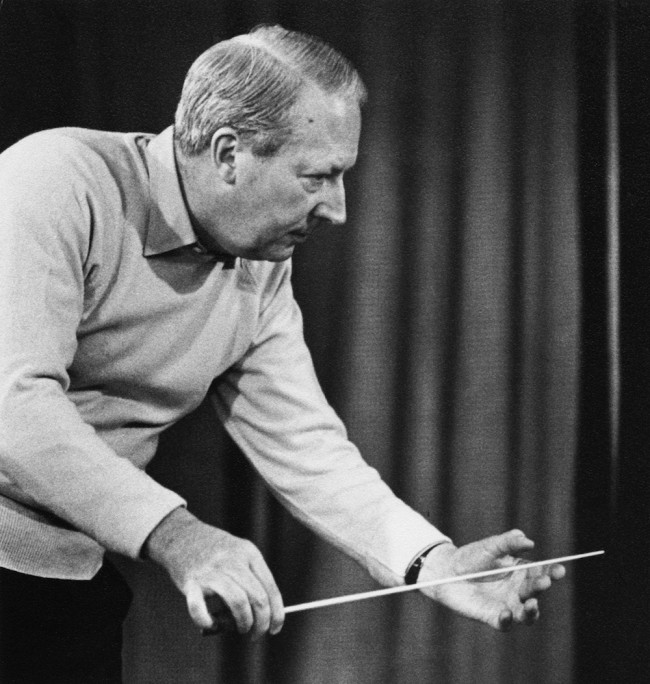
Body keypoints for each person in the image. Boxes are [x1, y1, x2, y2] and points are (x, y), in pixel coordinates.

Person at [0, 24, 565, 682]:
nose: (338, 210)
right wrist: (179, 536)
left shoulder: (258, 267)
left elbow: (305, 444)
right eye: (318, 177)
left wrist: (431, 564)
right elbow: (15, 404)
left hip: (69, 590)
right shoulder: (51, 182)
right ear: (229, 153)